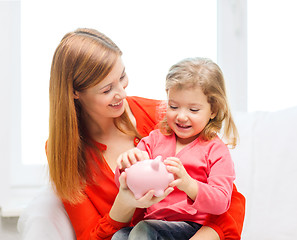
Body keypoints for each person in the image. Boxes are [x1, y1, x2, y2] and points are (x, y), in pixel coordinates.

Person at [47, 28, 245, 240]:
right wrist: (124, 201)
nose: (122, 93)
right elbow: (90, 236)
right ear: (75, 92)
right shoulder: (63, 151)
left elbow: (227, 200)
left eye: (122, 76)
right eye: (107, 89)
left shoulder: (167, 118)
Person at [113, 57, 239, 239]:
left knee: (143, 230)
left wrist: (189, 185)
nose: (181, 116)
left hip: (190, 228)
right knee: (120, 236)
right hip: (153, 225)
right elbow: (123, 185)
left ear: (213, 110)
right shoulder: (154, 140)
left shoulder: (215, 150)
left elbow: (221, 202)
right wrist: (126, 166)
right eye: (173, 106)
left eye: (193, 110)